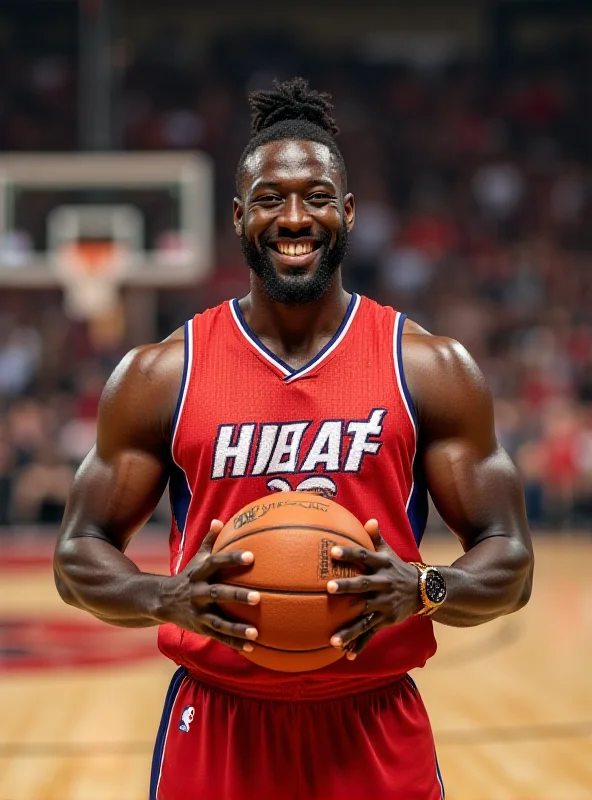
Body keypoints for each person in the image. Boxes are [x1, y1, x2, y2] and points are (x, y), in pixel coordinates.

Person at [54, 78, 534, 800]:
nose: (294, 216)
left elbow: (513, 559)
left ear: (345, 212)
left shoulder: (428, 367)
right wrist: (162, 596)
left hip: (374, 721)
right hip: (219, 722)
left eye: (314, 196)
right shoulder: (161, 373)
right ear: (240, 216)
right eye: (272, 199)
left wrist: (426, 588)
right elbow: (75, 553)